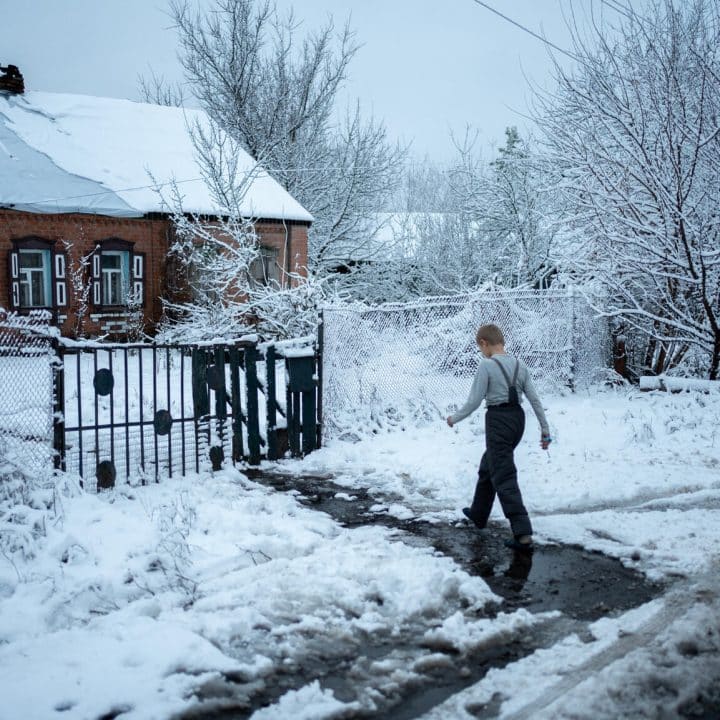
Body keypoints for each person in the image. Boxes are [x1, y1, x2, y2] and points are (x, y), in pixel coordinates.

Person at [446, 323, 551, 551]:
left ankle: (522, 531)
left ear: (484, 343)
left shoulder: (486, 366)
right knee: (489, 465)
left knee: (503, 475)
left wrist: (454, 418)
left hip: (498, 421)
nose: (481, 352)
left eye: (480, 347)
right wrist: (545, 430)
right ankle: (478, 513)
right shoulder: (520, 365)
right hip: (517, 421)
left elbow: (474, 401)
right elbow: (534, 400)